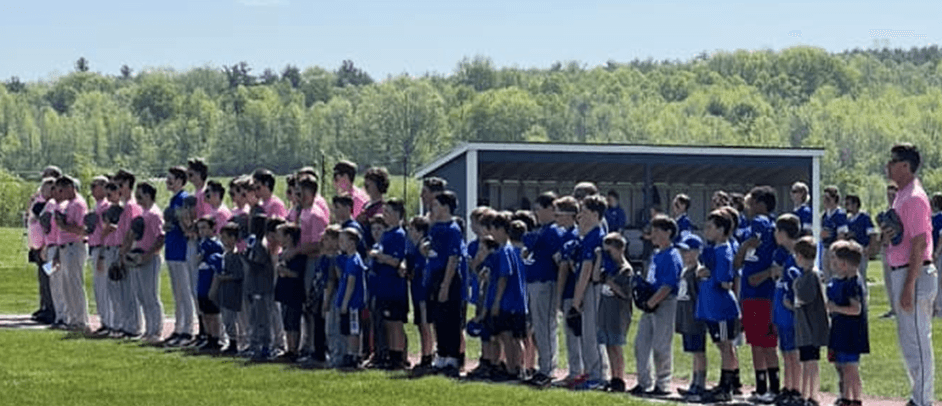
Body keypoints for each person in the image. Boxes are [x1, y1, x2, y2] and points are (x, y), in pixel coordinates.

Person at [882, 143, 937, 406]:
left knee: (918, 341)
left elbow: (918, 243)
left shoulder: (914, 196)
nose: (888, 165)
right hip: (903, 271)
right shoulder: (901, 195)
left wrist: (908, 286)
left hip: (914, 273)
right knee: (909, 342)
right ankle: (918, 396)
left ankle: (923, 400)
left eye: (893, 161)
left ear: (905, 165)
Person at [734, 186, 781, 402]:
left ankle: (771, 386)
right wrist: (744, 248)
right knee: (757, 341)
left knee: (765, 341)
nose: (747, 207)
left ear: (761, 204)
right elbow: (739, 259)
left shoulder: (762, 223)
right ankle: (763, 386)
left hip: (761, 292)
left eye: (751, 202)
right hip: (751, 292)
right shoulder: (749, 228)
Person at [630, 215, 681, 397]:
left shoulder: (671, 255)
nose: (653, 234)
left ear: (668, 233)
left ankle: (663, 384)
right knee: (640, 345)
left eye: (657, 230)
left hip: (664, 303)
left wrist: (651, 302)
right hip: (651, 303)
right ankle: (644, 383)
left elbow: (668, 285)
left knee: (661, 346)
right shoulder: (656, 254)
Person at [697, 210, 741, 403]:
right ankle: (724, 384)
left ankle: (727, 386)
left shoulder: (724, 250)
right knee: (720, 344)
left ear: (721, 229)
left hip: (721, 306)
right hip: (711, 306)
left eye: (710, 227)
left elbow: (725, 281)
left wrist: (710, 274)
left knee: (726, 346)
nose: (706, 230)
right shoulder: (714, 249)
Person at [522, 192, 562, 387]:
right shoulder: (542, 229)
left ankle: (548, 369)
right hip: (535, 282)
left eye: (538, 209)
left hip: (547, 282)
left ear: (549, 209)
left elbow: (559, 260)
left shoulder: (553, 230)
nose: (536, 213)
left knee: (546, 327)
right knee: (539, 328)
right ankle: (543, 367)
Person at [425, 191, 466, 376]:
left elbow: (453, 257)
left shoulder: (453, 228)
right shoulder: (435, 228)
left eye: (436, 205)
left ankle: (452, 356)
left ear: (445, 207)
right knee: (437, 317)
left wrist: (445, 285)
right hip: (434, 274)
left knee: (450, 318)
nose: (432, 209)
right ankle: (440, 353)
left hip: (447, 276)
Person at [826, 241, 870, 406]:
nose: (834, 266)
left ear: (844, 264)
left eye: (836, 262)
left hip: (852, 331)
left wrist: (835, 308)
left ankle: (856, 399)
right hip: (842, 329)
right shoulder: (842, 281)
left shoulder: (853, 283)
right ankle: (845, 397)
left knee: (851, 368)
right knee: (843, 366)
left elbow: (856, 309)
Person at [570, 194, 607, 390]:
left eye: (584, 212)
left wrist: (577, 299)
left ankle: (598, 376)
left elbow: (587, 269)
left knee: (592, 333)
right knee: (587, 333)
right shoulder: (588, 235)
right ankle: (591, 372)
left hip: (593, 288)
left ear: (594, 214)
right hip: (589, 288)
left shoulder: (595, 236)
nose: (580, 216)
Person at [368, 198, 409, 370]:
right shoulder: (386, 234)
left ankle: (398, 358)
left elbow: (397, 261)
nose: (385, 215)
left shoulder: (398, 234)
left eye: (388, 212)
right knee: (388, 323)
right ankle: (390, 355)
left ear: (398, 214)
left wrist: (379, 256)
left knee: (395, 324)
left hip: (394, 287)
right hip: (382, 285)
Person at [772, 214, 804, 406]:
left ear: (783, 233)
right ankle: (788, 385)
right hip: (780, 311)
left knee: (793, 353)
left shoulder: (797, 257)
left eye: (777, 231)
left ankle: (796, 389)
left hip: (790, 313)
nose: (775, 235)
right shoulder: (784, 255)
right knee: (785, 351)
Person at [793, 236, 829, 406]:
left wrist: (795, 290)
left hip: (812, 328)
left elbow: (805, 297)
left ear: (800, 255)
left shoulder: (810, 275)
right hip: (806, 327)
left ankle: (812, 395)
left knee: (811, 363)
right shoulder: (808, 274)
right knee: (806, 361)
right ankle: (805, 393)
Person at [163, 166, 196, 346]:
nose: (168, 181)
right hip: (172, 248)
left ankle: (187, 329)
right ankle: (179, 327)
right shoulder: (173, 199)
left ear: (180, 181)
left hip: (181, 249)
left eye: (171, 178)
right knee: (177, 293)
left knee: (184, 291)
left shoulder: (183, 199)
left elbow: (188, 222)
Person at [129, 182, 165, 344]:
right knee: (142, 295)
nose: (137, 197)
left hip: (149, 258)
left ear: (148, 195)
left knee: (150, 295)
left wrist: (149, 255)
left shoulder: (154, 214)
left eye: (140, 194)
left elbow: (160, 237)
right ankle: (148, 329)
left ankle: (155, 331)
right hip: (139, 257)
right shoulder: (144, 212)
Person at [52, 176, 89, 331]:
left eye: (61, 190)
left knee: (75, 284)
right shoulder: (67, 204)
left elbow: (82, 230)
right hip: (65, 247)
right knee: (67, 285)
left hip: (75, 246)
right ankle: (72, 318)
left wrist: (64, 226)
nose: (60, 194)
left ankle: (81, 320)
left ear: (70, 187)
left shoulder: (78, 204)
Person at [598, 232, 633, 393]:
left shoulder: (625, 270)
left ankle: (620, 378)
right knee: (608, 346)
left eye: (610, 251)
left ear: (619, 249)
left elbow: (626, 294)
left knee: (616, 347)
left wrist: (611, 282)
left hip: (618, 314)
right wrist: (600, 258)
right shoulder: (608, 268)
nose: (608, 255)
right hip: (605, 312)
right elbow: (595, 277)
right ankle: (613, 376)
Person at [552, 196, 582, 386]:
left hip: (572, 290)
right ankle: (576, 371)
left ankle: (576, 372)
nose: (556, 218)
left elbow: (563, 268)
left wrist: (558, 295)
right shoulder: (568, 234)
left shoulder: (572, 235)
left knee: (574, 333)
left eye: (559, 214)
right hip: (573, 290)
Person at [675, 234, 707, 401]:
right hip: (686, 317)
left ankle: (699, 383)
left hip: (695, 317)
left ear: (696, 252)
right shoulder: (685, 270)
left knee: (699, 352)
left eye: (688, 251)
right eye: (683, 251)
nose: (684, 254)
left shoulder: (697, 272)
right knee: (693, 352)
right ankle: (693, 382)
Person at [337, 227, 367, 368]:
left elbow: (351, 283)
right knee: (348, 329)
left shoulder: (354, 260)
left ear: (351, 242)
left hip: (353, 303)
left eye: (342, 240)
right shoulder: (347, 259)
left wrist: (345, 302)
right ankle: (350, 353)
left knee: (354, 330)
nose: (340, 243)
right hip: (349, 302)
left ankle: (354, 355)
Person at [275, 223, 306, 360]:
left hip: (294, 291)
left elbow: (298, 274)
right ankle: (289, 347)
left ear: (288, 237)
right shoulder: (282, 254)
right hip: (284, 290)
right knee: (286, 320)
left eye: (280, 235)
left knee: (294, 321)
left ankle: (295, 349)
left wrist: (285, 271)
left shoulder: (297, 255)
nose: (277, 238)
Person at [194, 216, 225, 351]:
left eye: (204, 228)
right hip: (202, 280)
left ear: (212, 229)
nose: (201, 231)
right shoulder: (201, 243)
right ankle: (209, 337)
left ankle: (217, 338)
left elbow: (217, 264)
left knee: (213, 313)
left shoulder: (215, 244)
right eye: (200, 228)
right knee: (205, 312)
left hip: (210, 280)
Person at [87, 176, 112, 334]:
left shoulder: (106, 206)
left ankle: (109, 322)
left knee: (104, 288)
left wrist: (102, 253)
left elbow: (107, 230)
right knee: (98, 288)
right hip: (94, 247)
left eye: (95, 185)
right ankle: (105, 321)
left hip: (102, 248)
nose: (92, 189)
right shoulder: (97, 206)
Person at [216, 223, 246, 355]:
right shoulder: (225, 254)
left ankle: (237, 342)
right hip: (225, 290)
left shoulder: (237, 255)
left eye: (225, 237)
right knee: (226, 318)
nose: (223, 240)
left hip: (234, 291)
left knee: (234, 318)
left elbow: (238, 275)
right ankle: (231, 341)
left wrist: (225, 277)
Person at [843, 194, 877, 294]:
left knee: (861, 274)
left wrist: (870, 248)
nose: (846, 206)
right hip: (850, 250)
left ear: (855, 204)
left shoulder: (864, 217)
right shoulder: (848, 219)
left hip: (861, 249)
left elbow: (872, 234)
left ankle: (863, 297)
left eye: (848, 204)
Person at [877, 182, 899, 319]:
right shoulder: (886, 211)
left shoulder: (901, 210)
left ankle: (899, 308)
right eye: (889, 194)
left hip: (897, 249)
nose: (890, 197)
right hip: (886, 248)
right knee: (888, 280)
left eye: (893, 194)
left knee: (897, 279)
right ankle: (893, 308)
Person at [357, 167, 389, 247]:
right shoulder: (366, 205)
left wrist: (368, 220)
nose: (367, 187)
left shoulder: (383, 207)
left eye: (370, 183)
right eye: (366, 184)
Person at [821, 186, 848, 279]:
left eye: (827, 198)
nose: (825, 201)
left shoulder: (839, 214)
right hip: (826, 246)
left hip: (834, 248)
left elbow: (841, 234)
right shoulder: (825, 215)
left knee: (836, 273)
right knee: (826, 273)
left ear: (834, 199)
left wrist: (837, 251)